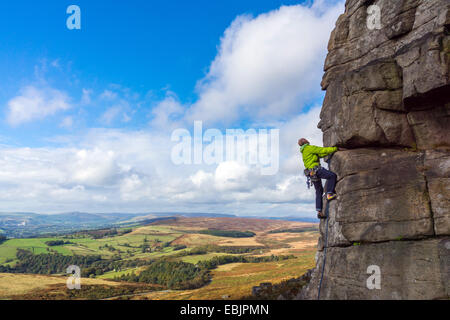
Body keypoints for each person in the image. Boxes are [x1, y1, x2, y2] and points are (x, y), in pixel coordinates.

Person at [298, 138, 338, 219]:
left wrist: (330, 152)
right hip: (316, 170)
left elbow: (320, 154)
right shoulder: (309, 148)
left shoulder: (304, 151)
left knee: (319, 191)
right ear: (305, 142)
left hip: (311, 173)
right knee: (332, 176)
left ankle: (319, 211)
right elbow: (321, 150)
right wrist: (335, 149)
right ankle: (329, 193)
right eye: (306, 139)